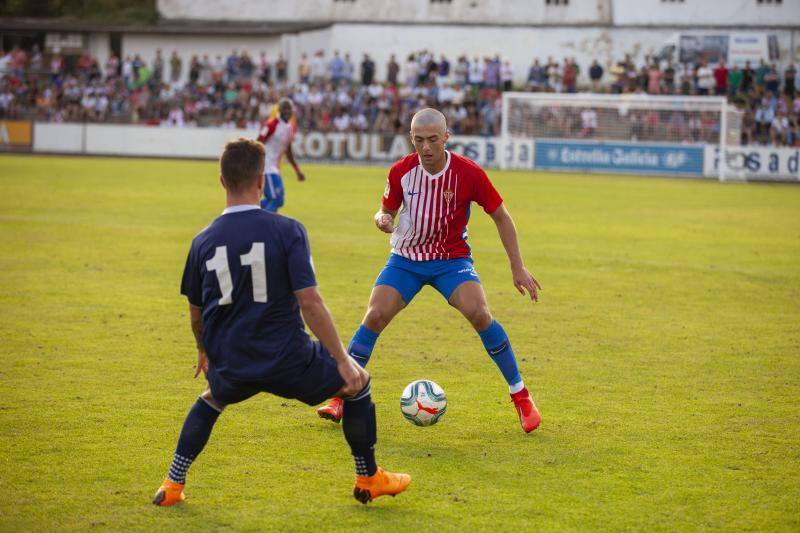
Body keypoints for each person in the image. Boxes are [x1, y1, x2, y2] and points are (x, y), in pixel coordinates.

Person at [152, 138, 410, 507]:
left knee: (211, 399)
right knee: (359, 383)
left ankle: (172, 484)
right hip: (288, 356)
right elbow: (310, 302)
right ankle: (368, 478)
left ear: (222, 181)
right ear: (261, 181)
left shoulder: (202, 242)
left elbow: (196, 312)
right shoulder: (287, 230)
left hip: (232, 357)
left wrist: (204, 351)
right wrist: (341, 358)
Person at [316, 108, 543, 433]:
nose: (426, 147)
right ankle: (342, 394)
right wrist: (382, 219)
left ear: (446, 138)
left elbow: (501, 216)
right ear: (411, 139)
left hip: (451, 260)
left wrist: (517, 266)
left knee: (479, 313)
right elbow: (384, 210)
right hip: (406, 259)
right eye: (419, 140)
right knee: (375, 315)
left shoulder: (468, 173)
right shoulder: (401, 172)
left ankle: (520, 396)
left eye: (433, 139)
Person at [257, 98, 305, 212]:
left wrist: (297, 171)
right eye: (285, 109)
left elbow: (288, 152)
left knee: (274, 200)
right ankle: (262, 224)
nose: (288, 112)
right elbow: (258, 143)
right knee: (277, 199)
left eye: (290, 109)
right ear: (279, 110)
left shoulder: (290, 128)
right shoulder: (271, 125)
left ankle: (248, 213)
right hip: (266, 167)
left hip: (274, 168)